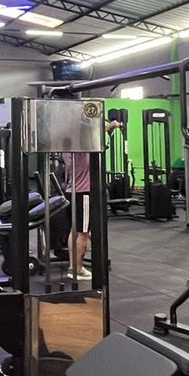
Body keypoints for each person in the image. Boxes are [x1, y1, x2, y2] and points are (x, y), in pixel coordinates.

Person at [63, 119, 124, 281]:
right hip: (83, 193)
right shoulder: (81, 145)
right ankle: (77, 270)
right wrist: (111, 126)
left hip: (71, 191)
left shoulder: (67, 146)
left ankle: (73, 267)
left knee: (74, 231)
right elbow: (93, 135)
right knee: (83, 233)